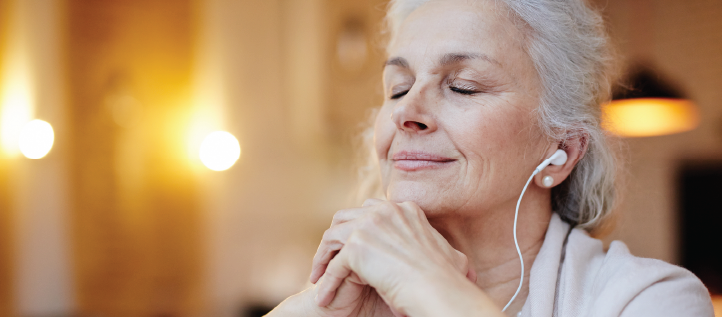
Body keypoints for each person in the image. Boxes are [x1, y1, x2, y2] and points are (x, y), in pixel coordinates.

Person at [267, 0, 714, 316]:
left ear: (560, 152)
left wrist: (429, 288)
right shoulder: (346, 300)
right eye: (398, 88)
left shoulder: (650, 300)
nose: (405, 112)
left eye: (463, 86)